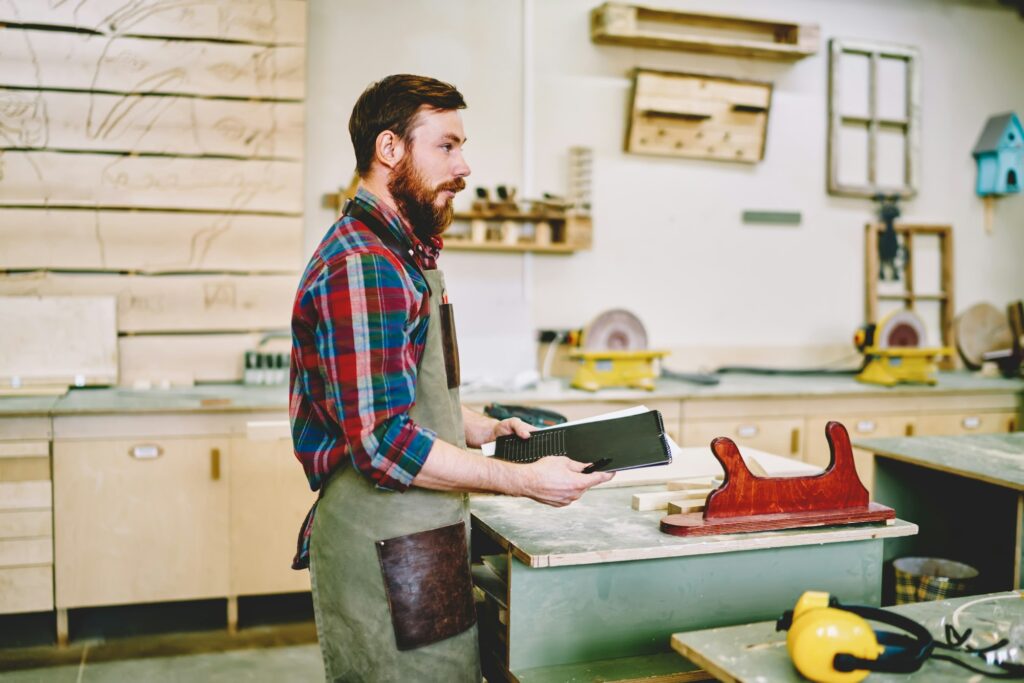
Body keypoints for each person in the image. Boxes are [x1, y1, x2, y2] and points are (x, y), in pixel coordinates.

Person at [289, 74, 614, 682]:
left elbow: (406, 396)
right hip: (386, 542)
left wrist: (483, 429)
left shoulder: (400, 256)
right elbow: (383, 443)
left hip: (417, 534)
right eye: (447, 146)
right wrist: (522, 481)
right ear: (391, 150)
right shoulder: (366, 266)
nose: (463, 166)